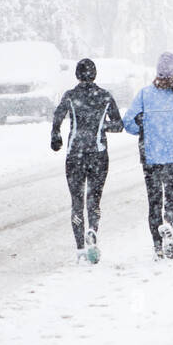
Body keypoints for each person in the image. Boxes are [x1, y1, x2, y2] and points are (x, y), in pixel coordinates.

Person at [123, 51, 173, 259]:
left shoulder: (145, 94)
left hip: (151, 156)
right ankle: (168, 222)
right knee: (172, 198)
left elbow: (128, 122)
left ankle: (158, 247)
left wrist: (143, 129)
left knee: (154, 201)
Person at [50, 58, 123, 263]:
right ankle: (92, 230)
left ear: (77, 75)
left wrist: (56, 136)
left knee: (76, 202)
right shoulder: (105, 96)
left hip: (75, 154)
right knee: (94, 200)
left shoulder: (71, 96)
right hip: (99, 154)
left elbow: (57, 117)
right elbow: (119, 125)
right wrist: (101, 127)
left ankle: (80, 250)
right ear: (95, 74)